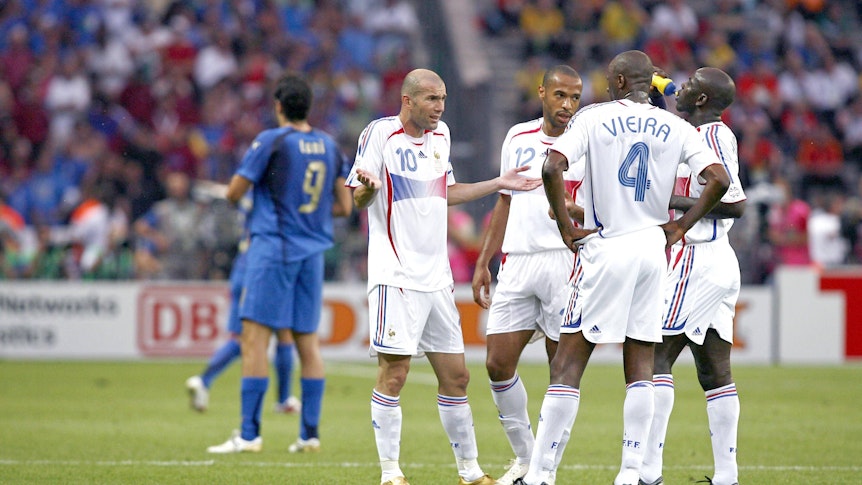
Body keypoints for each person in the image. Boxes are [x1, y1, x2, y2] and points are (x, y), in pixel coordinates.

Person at [517, 51, 731, 485]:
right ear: (646, 83)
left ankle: (539, 475)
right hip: (654, 251)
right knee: (641, 364)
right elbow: (720, 181)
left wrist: (564, 226)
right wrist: (679, 227)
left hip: (606, 246)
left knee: (568, 364)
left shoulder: (594, 118)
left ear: (617, 81)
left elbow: (551, 166)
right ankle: (632, 474)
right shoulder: (676, 125)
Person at [346, 68, 543, 485]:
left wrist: (498, 183)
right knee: (394, 374)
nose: (440, 107)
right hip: (395, 276)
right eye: (432, 99)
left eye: (443, 99)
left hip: (437, 279)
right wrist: (367, 188)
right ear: (408, 100)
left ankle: (470, 473)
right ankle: (390, 474)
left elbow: (446, 191)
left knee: (457, 376)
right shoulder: (379, 134)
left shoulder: (442, 136)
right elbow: (360, 197)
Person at [206, 72, 353, 454]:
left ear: (278, 107)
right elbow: (344, 206)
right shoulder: (328, 145)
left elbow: (235, 192)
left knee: (254, 339)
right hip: (313, 252)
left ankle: (250, 434)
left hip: (273, 249)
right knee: (308, 342)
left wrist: (249, 201)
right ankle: (309, 435)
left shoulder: (272, 140)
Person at [470, 65, 584, 485]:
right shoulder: (517, 136)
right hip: (516, 262)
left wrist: (575, 213)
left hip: (564, 261)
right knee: (497, 364)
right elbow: (504, 200)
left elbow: (603, 210)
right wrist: (484, 261)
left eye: (575, 97)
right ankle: (527, 459)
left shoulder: (587, 143)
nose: (567, 105)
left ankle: (544, 472)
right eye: (560, 96)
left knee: (562, 370)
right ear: (542, 93)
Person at [639, 67, 745, 485]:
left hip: (696, 257)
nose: (680, 89)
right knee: (714, 370)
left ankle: (647, 474)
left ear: (702, 101)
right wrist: (659, 86)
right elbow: (670, 102)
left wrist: (675, 205)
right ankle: (726, 477)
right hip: (714, 260)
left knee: (653, 355)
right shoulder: (694, 132)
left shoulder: (716, 137)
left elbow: (734, 203)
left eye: (690, 86)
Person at [185, 193, 301, 414]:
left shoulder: (250, 195)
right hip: (265, 269)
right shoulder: (276, 197)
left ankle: (203, 381)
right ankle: (284, 399)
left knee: (241, 338)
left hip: (241, 268)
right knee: (283, 333)